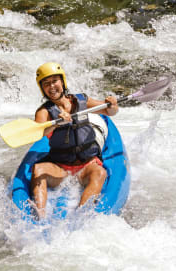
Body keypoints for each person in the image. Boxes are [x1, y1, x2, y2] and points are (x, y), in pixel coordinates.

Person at [30, 62, 118, 219]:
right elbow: (37, 134)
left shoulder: (80, 101)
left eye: (55, 81)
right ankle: (39, 215)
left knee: (100, 173)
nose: (51, 87)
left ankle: (81, 216)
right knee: (38, 170)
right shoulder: (44, 112)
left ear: (62, 82)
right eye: (46, 84)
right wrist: (56, 124)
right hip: (61, 168)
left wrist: (113, 105)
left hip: (87, 164)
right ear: (42, 88)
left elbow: (108, 111)